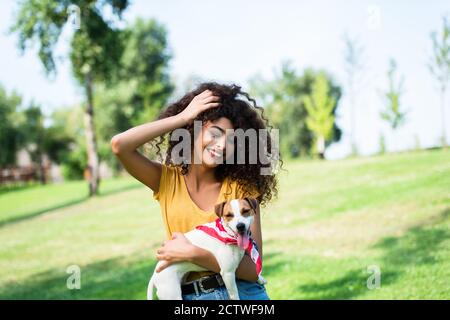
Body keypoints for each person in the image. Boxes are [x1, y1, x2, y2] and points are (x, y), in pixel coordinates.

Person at [111, 82, 280, 300]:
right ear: (194, 129)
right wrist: (182, 117)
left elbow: (252, 269)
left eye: (231, 140)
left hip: (242, 293)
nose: (221, 145)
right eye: (215, 134)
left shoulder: (240, 189)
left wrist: (195, 254)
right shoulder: (166, 181)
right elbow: (119, 145)